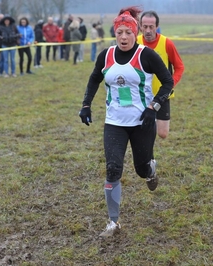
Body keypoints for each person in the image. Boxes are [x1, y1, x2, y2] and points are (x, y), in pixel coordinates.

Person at [78, 6, 173, 237]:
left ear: (136, 32)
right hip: (114, 122)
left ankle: (150, 169)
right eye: (119, 32)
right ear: (115, 32)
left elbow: (168, 82)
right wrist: (86, 104)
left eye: (128, 33)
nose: (123, 37)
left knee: (141, 170)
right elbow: (94, 79)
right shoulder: (106, 55)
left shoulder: (146, 55)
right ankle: (113, 222)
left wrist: (154, 107)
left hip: (142, 122)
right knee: (112, 169)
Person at [137, 10, 185, 139]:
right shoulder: (135, 42)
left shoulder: (167, 43)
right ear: (140, 26)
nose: (147, 30)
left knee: (163, 133)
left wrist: (170, 86)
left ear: (156, 27)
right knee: (142, 130)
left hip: (161, 94)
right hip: (140, 94)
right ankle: (148, 157)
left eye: (151, 27)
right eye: (145, 26)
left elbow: (179, 67)